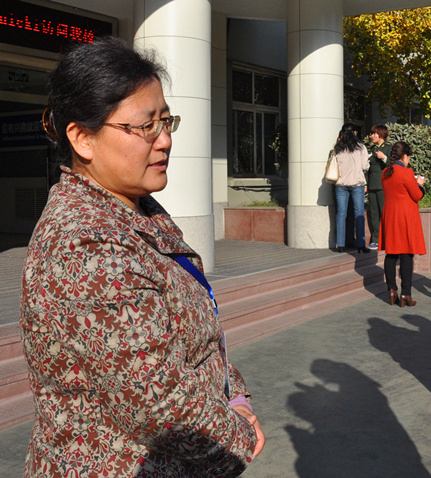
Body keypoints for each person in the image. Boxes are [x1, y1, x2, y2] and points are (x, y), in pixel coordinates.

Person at [20, 37, 265, 476]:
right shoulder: (87, 243)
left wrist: (235, 396)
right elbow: (158, 401)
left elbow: (196, 340)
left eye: (166, 121)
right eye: (145, 126)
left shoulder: (137, 208)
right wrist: (237, 438)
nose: (165, 140)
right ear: (83, 138)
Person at [379, 141, 427, 307]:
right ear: (405, 156)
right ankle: (406, 293)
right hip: (405, 216)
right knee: (407, 254)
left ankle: (391, 290)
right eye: (409, 157)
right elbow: (417, 195)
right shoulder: (406, 172)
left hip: (390, 215)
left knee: (391, 254)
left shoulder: (385, 172)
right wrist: (419, 184)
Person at [332, 123, 370, 253]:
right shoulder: (361, 147)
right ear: (354, 133)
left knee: (341, 213)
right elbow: (365, 166)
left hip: (341, 184)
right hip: (357, 183)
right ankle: (361, 244)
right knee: (359, 213)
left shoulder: (338, 148)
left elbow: (334, 165)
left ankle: (340, 244)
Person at [366, 124, 391, 249]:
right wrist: (366, 184)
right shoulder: (373, 149)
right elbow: (368, 170)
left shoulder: (389, 147)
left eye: (374, 133)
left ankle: (387, 239)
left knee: (384, 212)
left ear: (381, 135)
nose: (372, 136)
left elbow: (394, 165)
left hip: (383, 185)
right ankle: (375, 239)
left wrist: (384, 158)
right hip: (372, 185)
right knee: (374, 213)